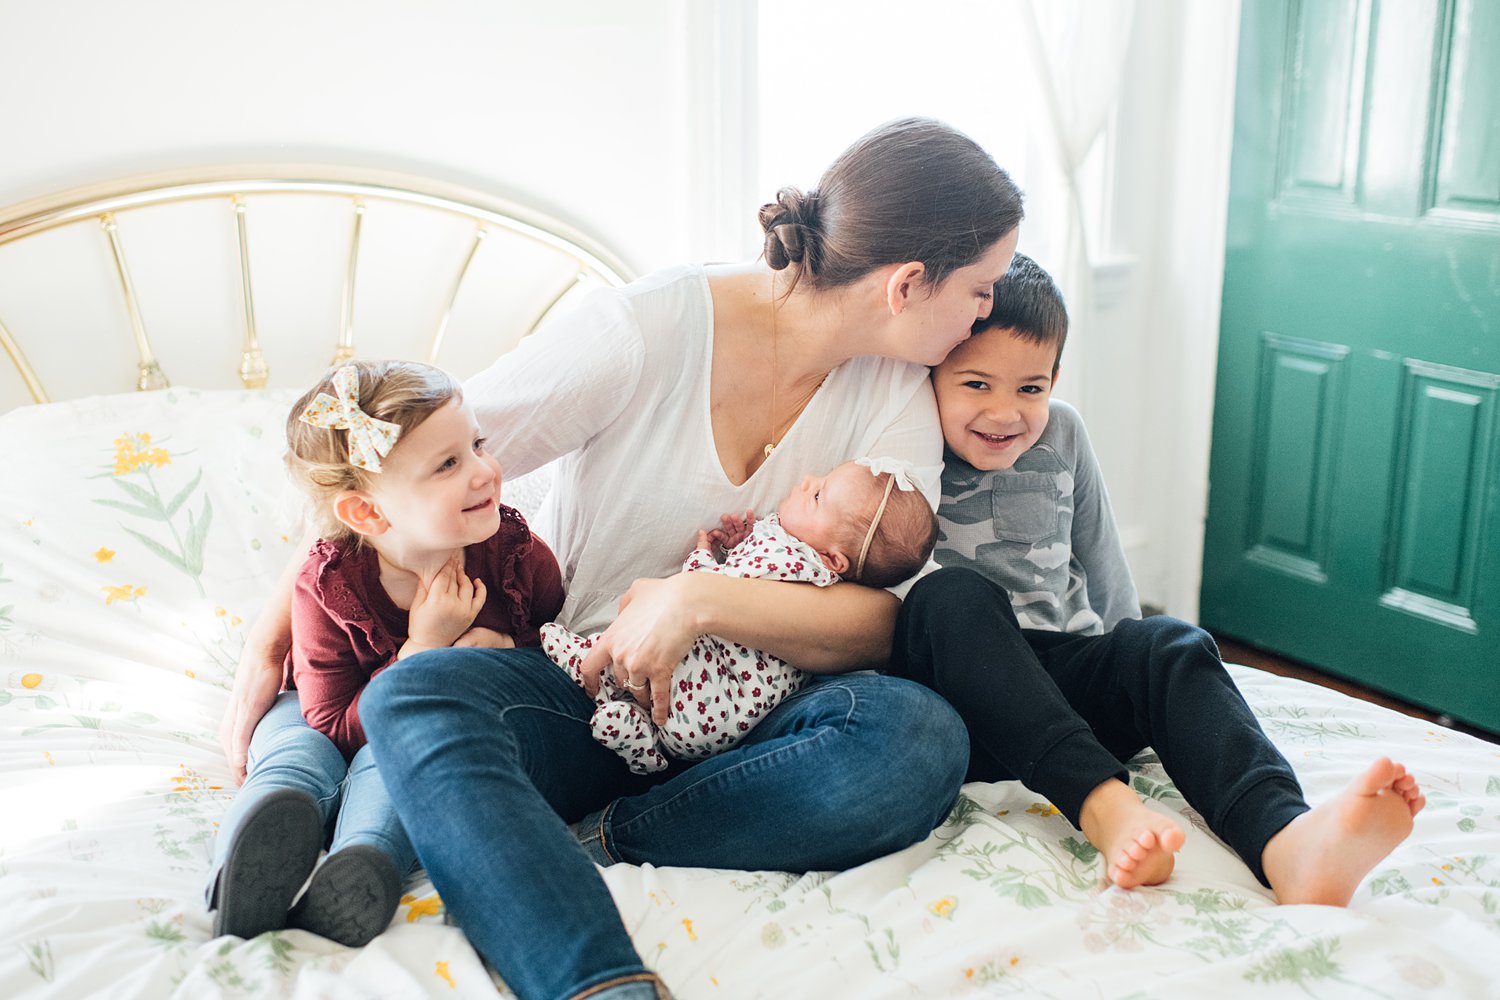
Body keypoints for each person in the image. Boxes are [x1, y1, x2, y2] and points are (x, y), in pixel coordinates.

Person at [219, 117, 1023, 1000]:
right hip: (581, 692)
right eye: (982, 288)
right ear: (909, 283)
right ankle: (597, 983)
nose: (987, 314)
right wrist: (275, 625)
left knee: (917, 738)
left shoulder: (896, 395)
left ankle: (605, 836)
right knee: (416, 691)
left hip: (763, 717)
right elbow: (406, 465)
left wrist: (698, 603)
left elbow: (880, 626)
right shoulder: (648, 328)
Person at [890, 253, 1426, 903]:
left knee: (1171, 642)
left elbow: (1102, 558)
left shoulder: (1064, 433)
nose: (1005, 413)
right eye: (976, 384)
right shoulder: (907, 438)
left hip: (1063, 689)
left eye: (1029, 388)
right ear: (931, 375)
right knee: (953, 595)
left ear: (1055, 378)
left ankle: (1287, 842)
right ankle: (1103, 807)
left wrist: (1133, 667)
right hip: (965, 704)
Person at [208, 360, 562, 947]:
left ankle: (360, 866)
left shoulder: (515, 557)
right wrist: (424, 648)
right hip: (318, 710)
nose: (486, 473)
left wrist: (505, 655)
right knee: (293, 759)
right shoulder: (329, 585)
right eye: (449, 464)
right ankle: (244, 873)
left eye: (477, 445)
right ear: (367, 513)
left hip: (408, 728)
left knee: (404, 760)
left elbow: (553, 657)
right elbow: (330, 722)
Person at [544, 458, 938, 773]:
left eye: (818, 495)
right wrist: (741, 546)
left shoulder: (790, 559)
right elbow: (741, 583)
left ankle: (587, 659)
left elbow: (713, 587)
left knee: (663, 651)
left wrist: (701, 557)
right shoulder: (812, 571)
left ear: (833, 558)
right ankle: (642, 739)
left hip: (714, 688)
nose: (806, 480)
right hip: (716, 724)